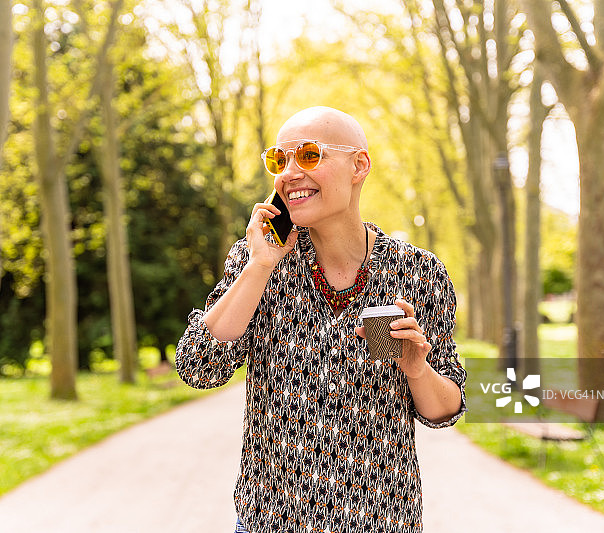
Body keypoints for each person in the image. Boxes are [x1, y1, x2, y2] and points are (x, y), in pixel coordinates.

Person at [175, 106, 466, 533]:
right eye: (279, 159)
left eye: (309, 155)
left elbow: (445, 412)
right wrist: (260, 265)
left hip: (383, 520)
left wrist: (417, 368)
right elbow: (199, 367)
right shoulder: (257, 261)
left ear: (358, 165)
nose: (290, 172)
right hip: (271, 521)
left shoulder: (417, 271)